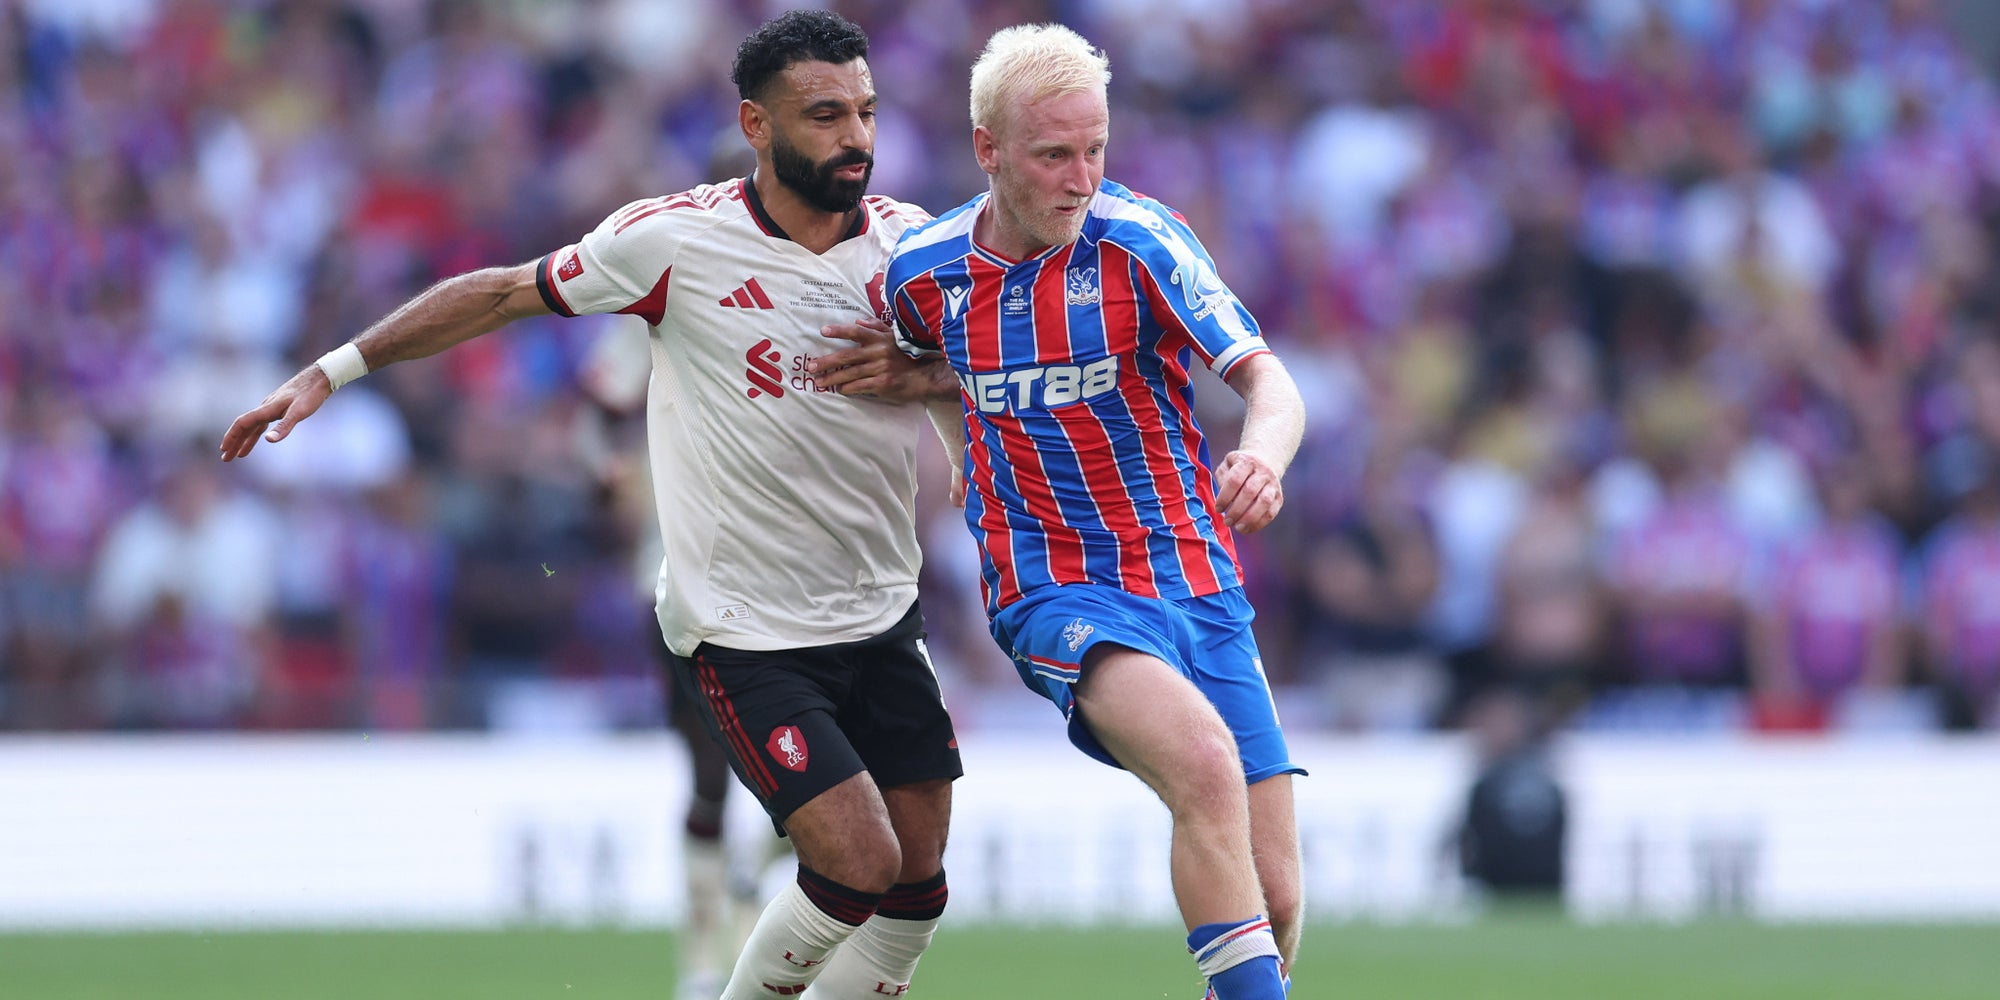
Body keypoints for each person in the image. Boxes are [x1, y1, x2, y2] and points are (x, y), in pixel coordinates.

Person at [220, 11, 962, 999]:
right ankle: (706, 970)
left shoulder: (912, 251)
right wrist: (336, 367)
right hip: (743, 626)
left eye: (865, 112)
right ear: (755, 124)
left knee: (914, 889)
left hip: (879, 615)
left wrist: (935, 385)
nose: (855, 137)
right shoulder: (672, 244)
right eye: (824, 115)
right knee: (851, 863)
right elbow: (498, 295)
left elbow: (986, 379)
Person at [878, 23, 1306, 1000]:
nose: (1079, 179)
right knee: (1201, 767)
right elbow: (926, 368)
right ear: (988, 149)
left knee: (1275, 893)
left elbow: (1270, 383)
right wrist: (955, 443)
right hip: (1051, 585)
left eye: (1095, 150)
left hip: (1195, 579)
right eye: (1053, 155)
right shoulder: (923, 273)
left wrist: (1262, 458)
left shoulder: (1139, 242)